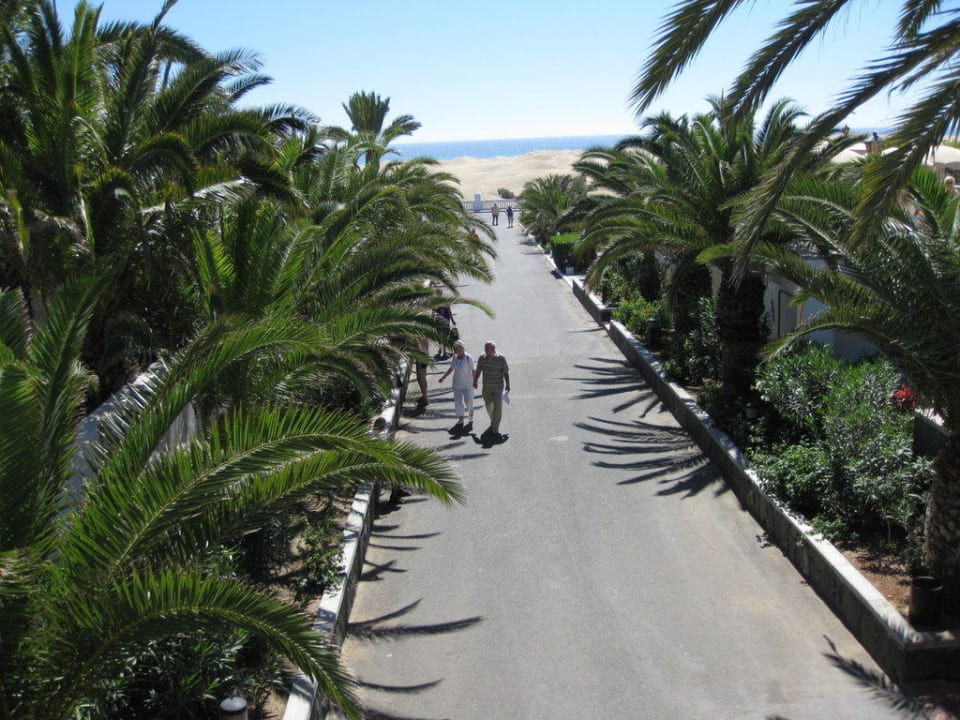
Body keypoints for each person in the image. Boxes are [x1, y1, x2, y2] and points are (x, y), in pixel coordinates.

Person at [473, 340, 510, 440]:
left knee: (498, 406)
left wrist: (508, 384)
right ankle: (493, 419)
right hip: (486, 387)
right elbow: (478, 370)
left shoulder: (501, 358)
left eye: (487, 349)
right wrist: (475, 381)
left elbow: (506, 372)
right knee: (488, 404)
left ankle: (495, 428)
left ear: (493, 350)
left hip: (498, 386)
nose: (485, 351)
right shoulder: (482, 357)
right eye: (485, 349)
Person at [438, 340, 475, 430]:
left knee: (468, 401)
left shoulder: (468, 358)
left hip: (467, 384)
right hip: (457, 383)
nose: (455, 350)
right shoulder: (455, 357)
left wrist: (475, 381)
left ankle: (470, 413)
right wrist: (443, 377)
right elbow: (451, 369)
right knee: (458, 402)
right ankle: (461, 418)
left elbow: (473, 371)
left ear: (461, 348)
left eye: (456, 349)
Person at [415, 335, 430, 410]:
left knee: (420, 378)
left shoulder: (419, 335)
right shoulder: (424, 335)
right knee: (422, 378)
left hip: (421, 358)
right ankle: (424, 396)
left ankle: (425, 398)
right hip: (425, 356)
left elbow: (417, 345)